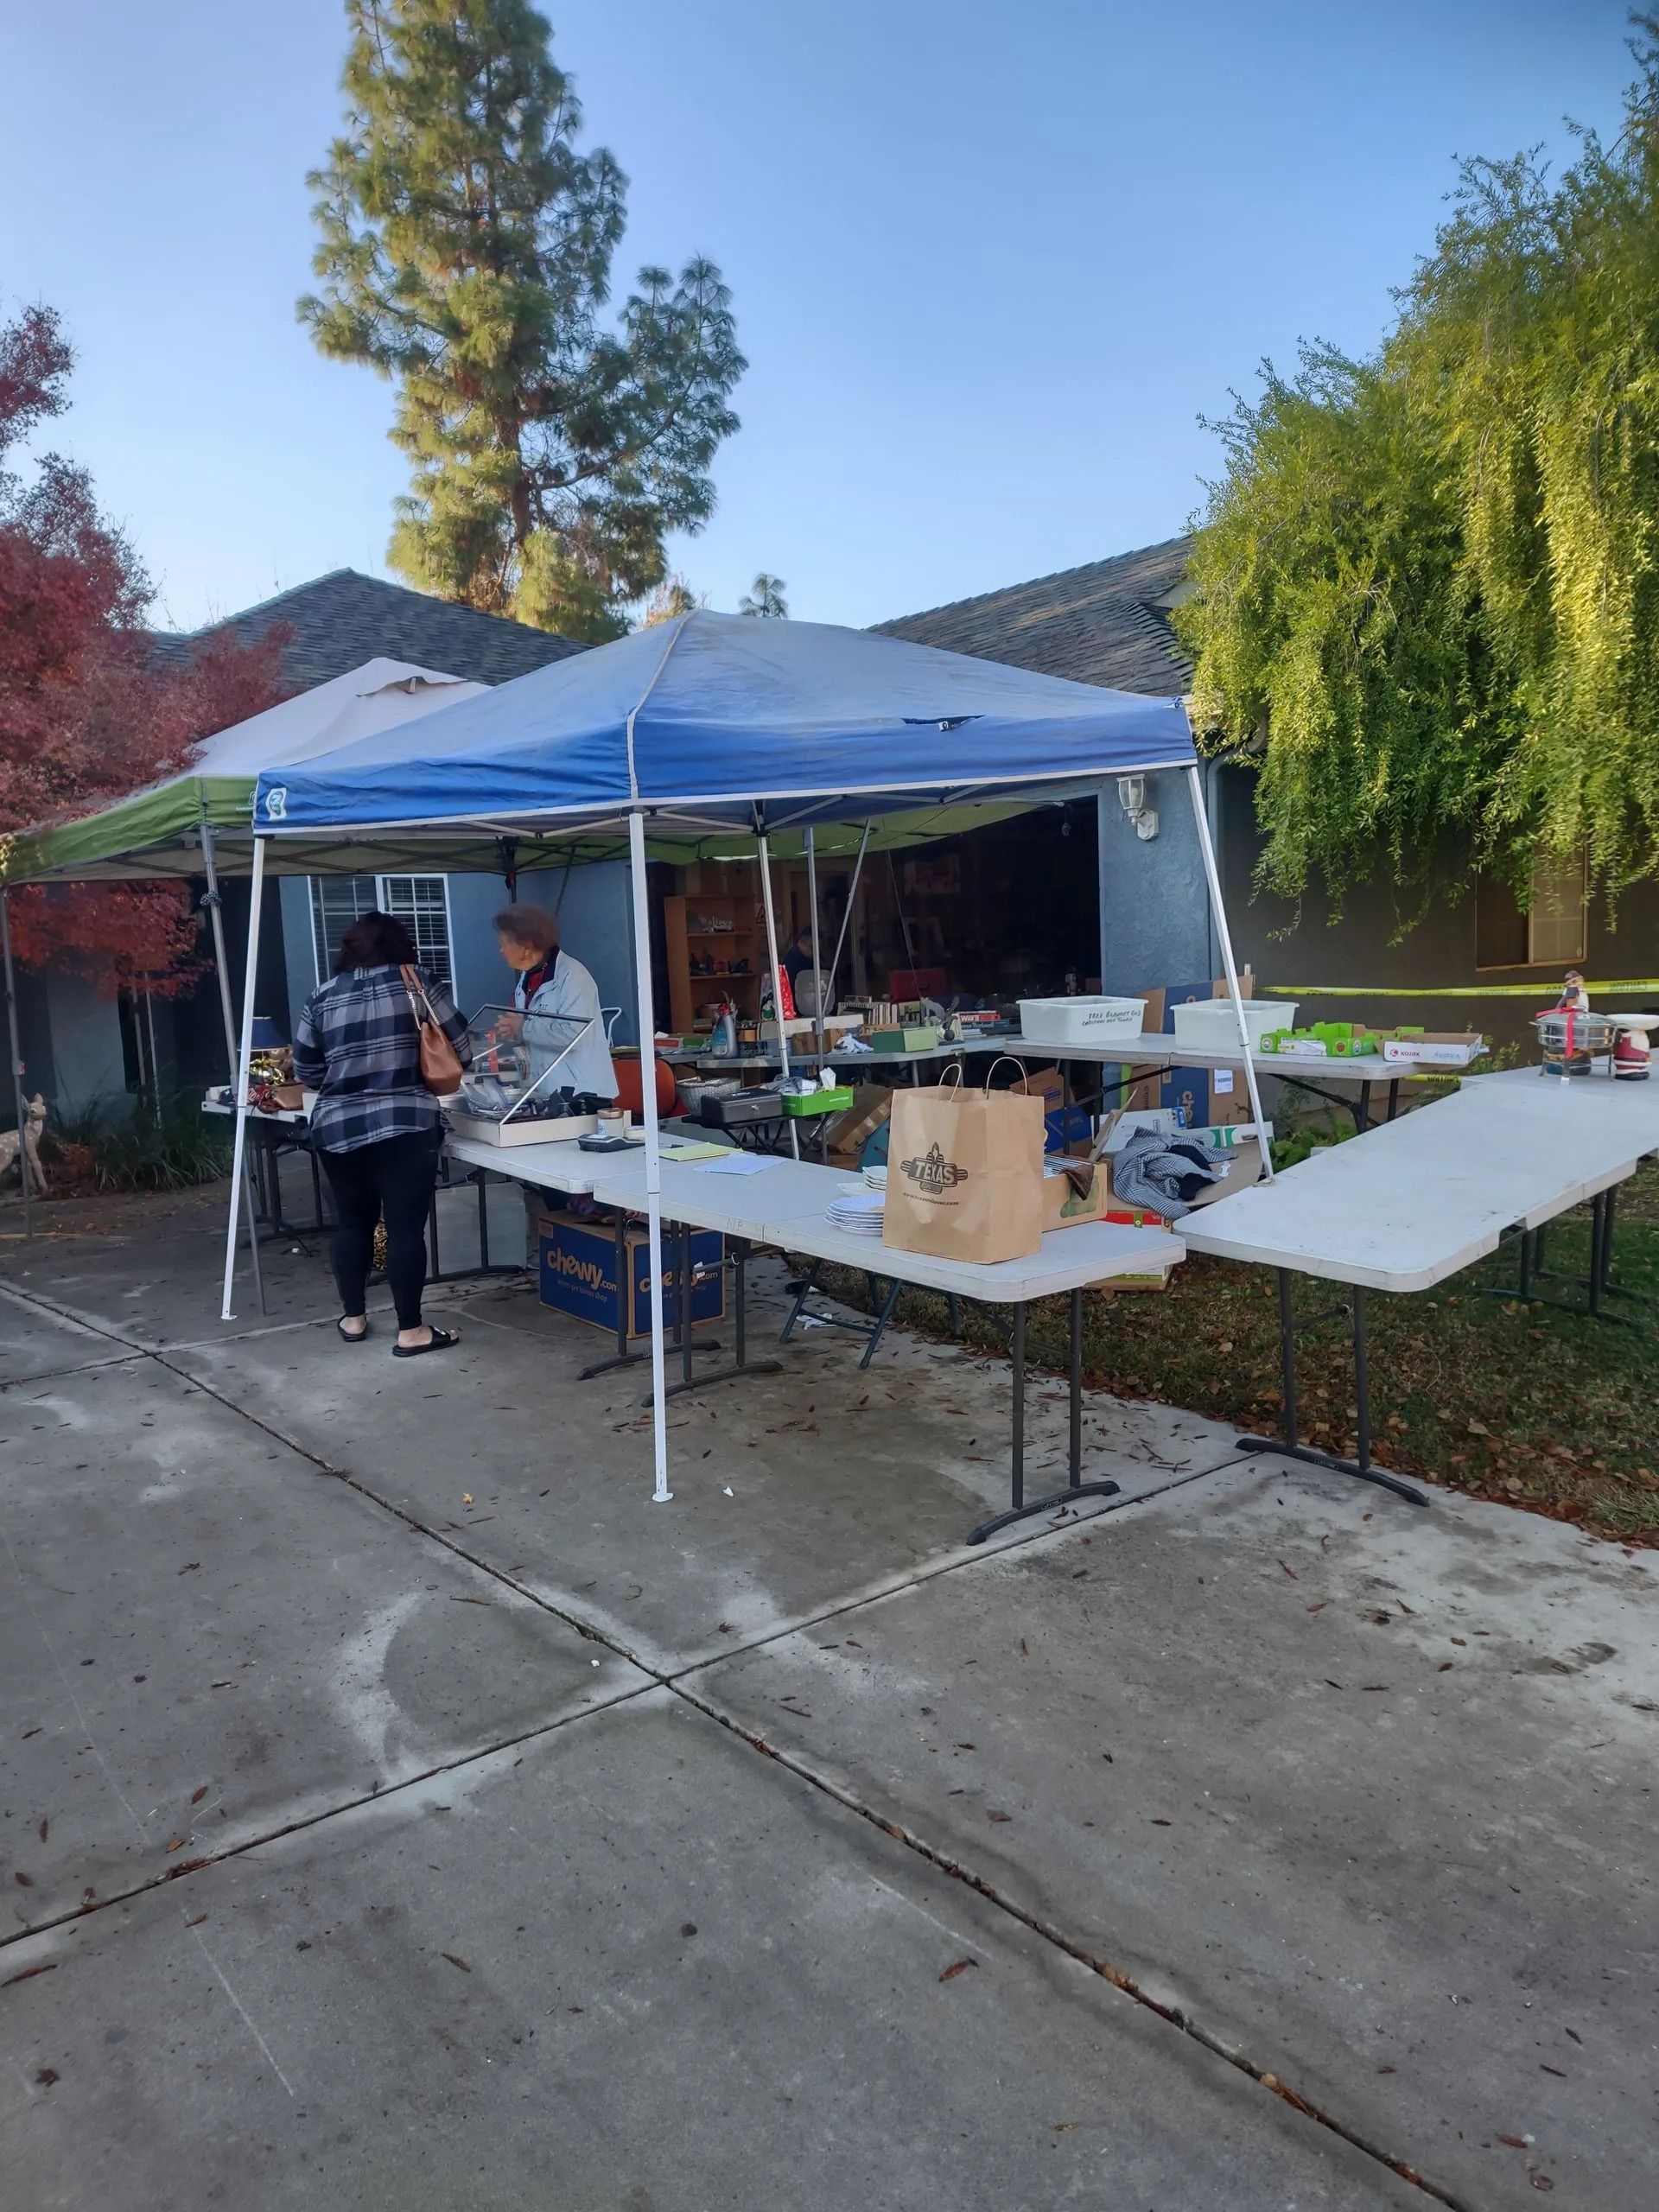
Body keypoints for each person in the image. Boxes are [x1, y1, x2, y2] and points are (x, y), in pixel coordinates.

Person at [292, 909, 471, 1357]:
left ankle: (353, 1319)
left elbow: (307, 1070)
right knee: (404, 1227)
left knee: (352, 1223)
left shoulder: (322, 996)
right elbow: (463, 1048)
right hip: (406, 1122)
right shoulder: (419, 982)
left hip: (337, 1126)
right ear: (399, 944)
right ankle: (410, 1330)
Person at [492, 902, 617, 1103]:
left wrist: (523, 1027)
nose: (501, 950)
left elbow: (574, 1035)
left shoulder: (573, 976)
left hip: (583, 1094)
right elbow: (536, 1031)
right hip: (547, 1090)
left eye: (504, 943)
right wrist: (512, 1031)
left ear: (525, 945)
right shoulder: (526, 979)